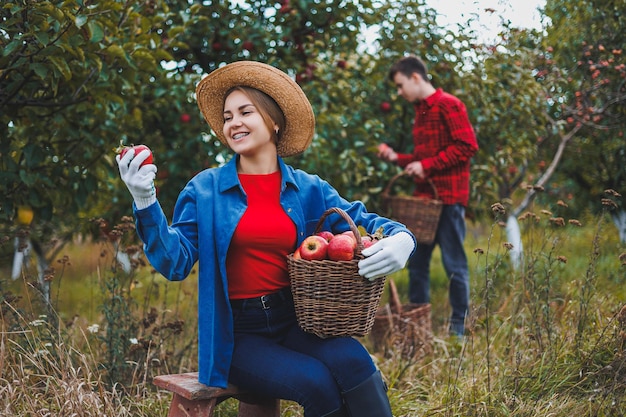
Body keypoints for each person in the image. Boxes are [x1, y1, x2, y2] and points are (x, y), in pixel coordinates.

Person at [117, 61, 416, 417]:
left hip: (296, 320)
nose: (234, 123)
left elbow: (365, 222)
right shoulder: (205, 190)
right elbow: (174, 261)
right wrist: (145, 202)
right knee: (316, 383)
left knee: (356, 362)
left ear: (274, 121)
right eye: (228, 116)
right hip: (238, 336)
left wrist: (403, 238)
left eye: (245, 112)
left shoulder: (307, 188)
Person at [377, 55, 478, 338]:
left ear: (416, 78)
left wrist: (427, 165)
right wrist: (398, 158)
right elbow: (424, 159)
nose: (399, 93)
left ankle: (459, 327)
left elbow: (467, 146)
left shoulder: (449, 105)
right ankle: (416, 324)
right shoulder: (421, 112)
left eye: (400, 86)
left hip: (448, 198)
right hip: (425, 201)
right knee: (417, 264)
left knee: (453, 263)